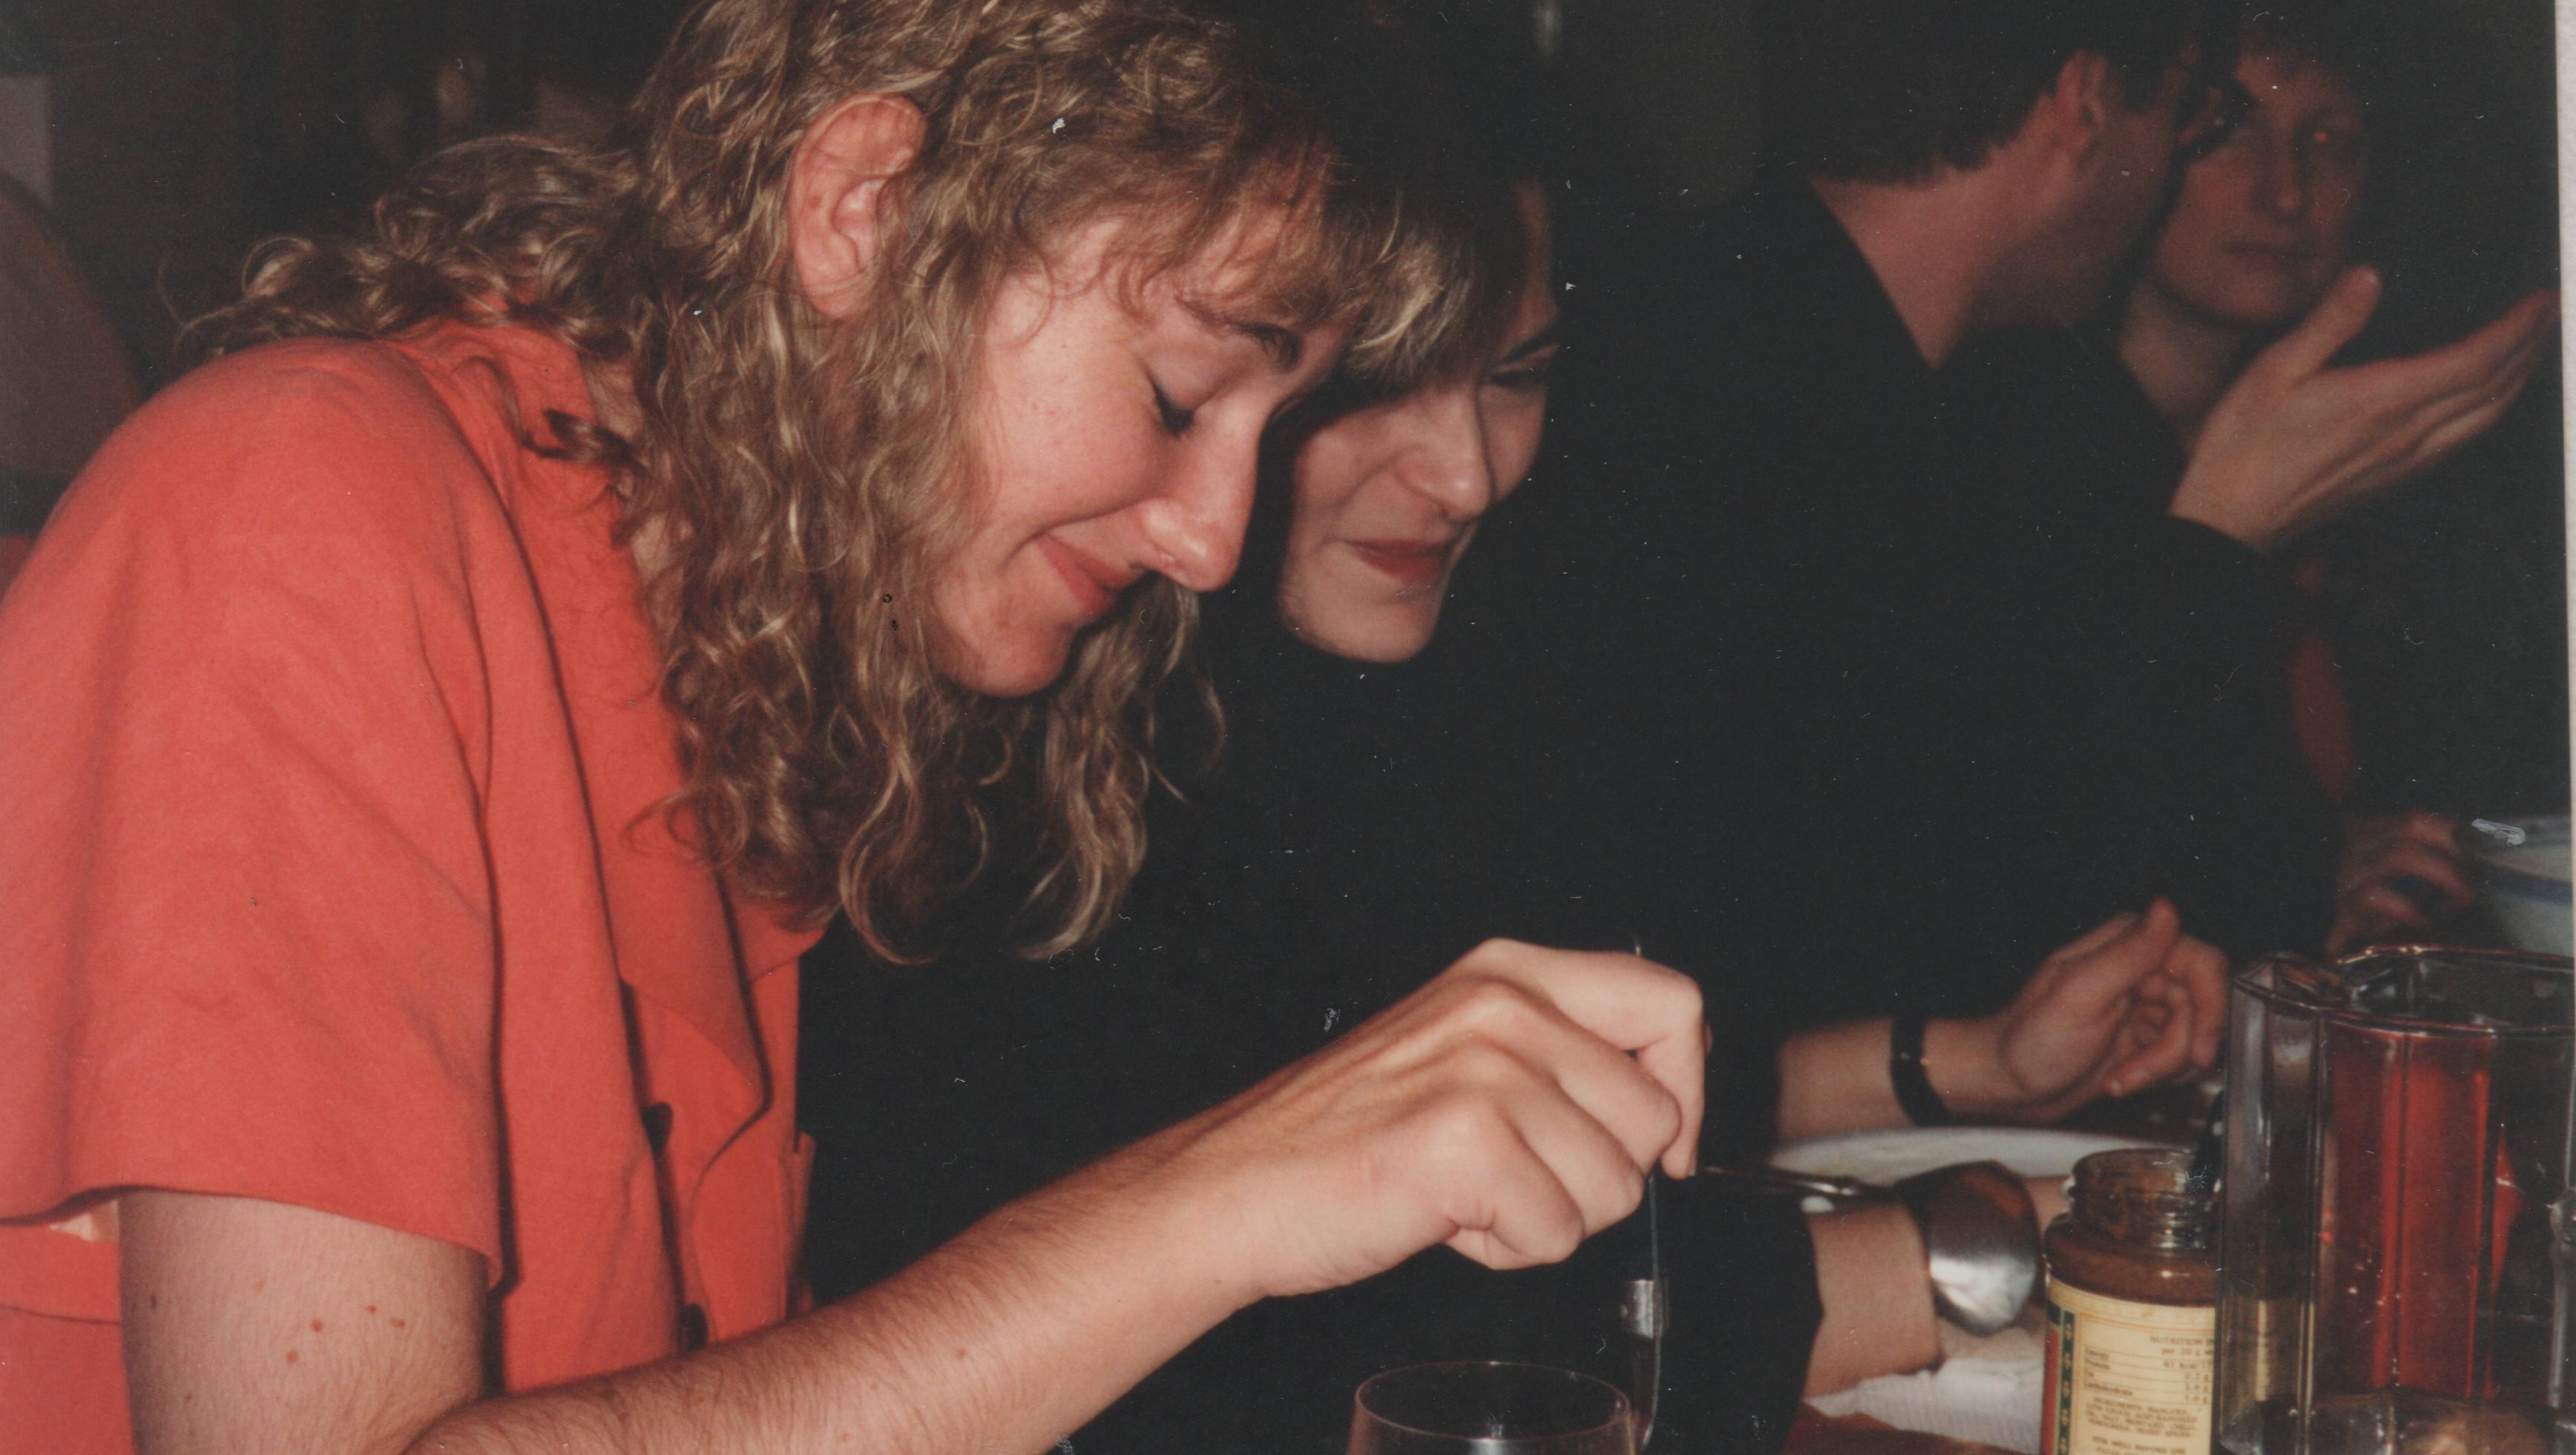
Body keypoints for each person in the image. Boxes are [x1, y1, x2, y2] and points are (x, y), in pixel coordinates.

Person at [0, 0, 1715, 1452]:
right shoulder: (300, 506)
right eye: (1180, 392)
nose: (1211, 540)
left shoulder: (727, 673)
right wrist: (1233, 1190)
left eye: (1272, 428)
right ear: (865, 210)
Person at [803, 180, 2230, 1453]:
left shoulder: (1387, 682)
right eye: (1376, 384)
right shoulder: (1027, 722)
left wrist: (1955, 1064)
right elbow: (1381, 1369)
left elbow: (1509, 1123)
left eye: (1515, 377)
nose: (1466, 474)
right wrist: (1973, 1247)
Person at [1557, 0, 2554, 1047]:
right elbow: (1996, 932)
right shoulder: (1783, 406)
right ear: (2084, 103)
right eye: (2187, 115)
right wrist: (2222, 539)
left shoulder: (1790, 339)